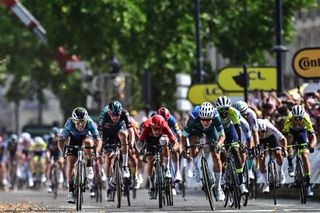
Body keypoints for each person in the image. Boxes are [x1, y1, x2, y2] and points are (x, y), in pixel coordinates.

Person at [181, 101, 226, 201]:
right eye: (203, 119)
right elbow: (183, 136)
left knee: (216, 156)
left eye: (208, 120)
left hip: (211, 130)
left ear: (212, 117)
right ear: (200, 117)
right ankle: (196, 167)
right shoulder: (194, 117)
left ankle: (218, 188)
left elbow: (222, 135)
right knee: (193, 141)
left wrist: (218, 145)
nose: (205, 122)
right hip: (197, 128)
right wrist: (184, 149)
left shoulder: (216, 116)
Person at [58, 107, 102, 203]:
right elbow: (61, 140)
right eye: (78, 123)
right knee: (70, 162)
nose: (81, 125)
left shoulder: (90, 123)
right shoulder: (69, 123)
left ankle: (89, 166)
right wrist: (63, 151)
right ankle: (70, 191)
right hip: (73, 139)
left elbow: (98, 139)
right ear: (74, 121)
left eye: (83, 122)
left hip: (86, 137)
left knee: (88, 143)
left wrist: (97, 151)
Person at [98, 100, 135, 201]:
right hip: (107, 134)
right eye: (113, 115)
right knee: (108, 158)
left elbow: (131, 130)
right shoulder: (104, 114)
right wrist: (100, 148)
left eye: (117, 115)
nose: (115, 117)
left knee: (124, 135)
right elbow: (99, 136)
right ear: (109, 113)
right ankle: (109, 187)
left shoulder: (124, 113)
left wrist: (131, 143)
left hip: (119, 130)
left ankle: (125, 166)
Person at [138, 114, 179, 199]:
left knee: (164, 141)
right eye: (155, 129)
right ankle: (151, 185)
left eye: (159, 129)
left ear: (162, 127)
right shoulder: (146, 126)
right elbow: (139, 143)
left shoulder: (165, 125)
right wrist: (141, 150)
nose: (156, 131)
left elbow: (175, 142)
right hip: (149, 140)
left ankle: (167, 169)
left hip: (161, 139)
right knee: (150, 161)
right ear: (151, 127)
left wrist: (173, 149)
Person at [215, 96, 248, 195]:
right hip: (219, 132)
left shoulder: (233, 112)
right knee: (222, 153)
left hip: (230, 130)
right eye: (221, 110)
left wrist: (241, 143)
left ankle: (241, 183)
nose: (224, 112)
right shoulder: (215, 114)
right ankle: (224, 175)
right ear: (217, 109)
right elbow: (213, 131)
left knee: (235, 150)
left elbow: (238, 128)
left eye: (226, 109)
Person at [282, 105, 316, 196]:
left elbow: (314, 137)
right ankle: (290, 164)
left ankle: (308, 184)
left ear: (302, 117)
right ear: (292, 116)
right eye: (295, 118)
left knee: (305, 155)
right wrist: (286, 147)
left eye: (299, 118)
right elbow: (284, 137)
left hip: (302, 132)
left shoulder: (306, 119)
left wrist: (311, 146)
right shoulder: (289, 119)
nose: (297, 121)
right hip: (292, 131)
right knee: (289, 142)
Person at [256, 118, 287, 193]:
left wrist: (284, 150)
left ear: (266, 128)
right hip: (259, 140)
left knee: (278, 153)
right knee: (260, 157)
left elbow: (283, 138)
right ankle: (266, 184)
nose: (261, 134)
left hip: (271, 137)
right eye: (259, 132)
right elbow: (251, 142)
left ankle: (280, 172)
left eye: (263, 131)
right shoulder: (254, 131)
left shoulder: (270, 127)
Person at [157, 107, 183, 194]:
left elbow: (179, 133)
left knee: (174, 149)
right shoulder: (155, 118)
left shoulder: (172, 119)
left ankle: (177, 171)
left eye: (166, 120)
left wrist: (179, 145)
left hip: (170, 135)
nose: (165, 121)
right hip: (159, 136)